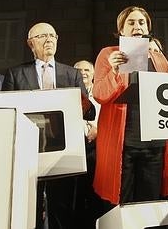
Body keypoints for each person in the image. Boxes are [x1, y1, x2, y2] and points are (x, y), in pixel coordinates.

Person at [2, 22, 95, 229]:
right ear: (30, 43)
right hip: (27, 152)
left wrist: (79, 102)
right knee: (28, 207)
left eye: (53, 35)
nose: (49, 39)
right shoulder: (16, 74)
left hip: (62, 150)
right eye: (42, 36)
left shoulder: (72, 74)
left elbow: (89, 112)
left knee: (60, 208)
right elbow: (6, 115)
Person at [92, 6, 168, 206]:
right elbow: (99, 95)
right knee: (123, 204)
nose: (137, 26)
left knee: (149, 205)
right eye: (131, 23)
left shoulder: (159, 59)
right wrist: (115, 70)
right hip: (124, 144)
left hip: (154, 144)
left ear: (148, 28)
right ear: (121, 30)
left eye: (141, 22)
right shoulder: (109, 54)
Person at [73, 59, 104, 229]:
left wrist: (99, 130)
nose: (83, 72)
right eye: (78, 69)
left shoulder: (101, 94)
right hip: (74, 149)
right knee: (76, 195)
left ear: (93, 74)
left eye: (86, 69)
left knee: (96, 194)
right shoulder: (69, 94)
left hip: (97, 149)